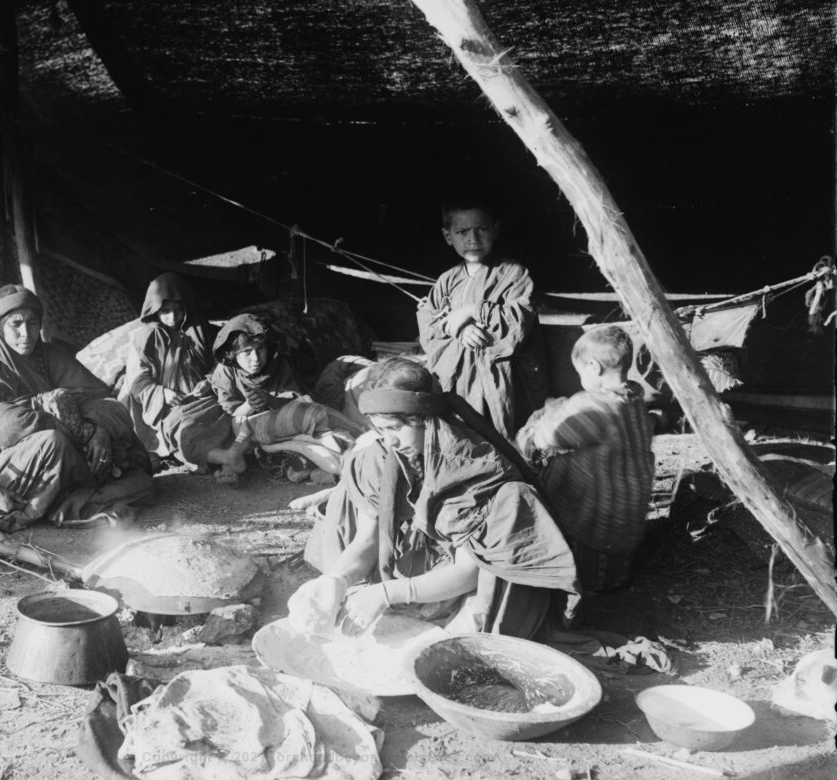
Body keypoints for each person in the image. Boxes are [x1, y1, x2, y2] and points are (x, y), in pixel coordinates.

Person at [287, 357, 577, 641]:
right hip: (422, 561)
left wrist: (388, 593)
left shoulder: (472, 469)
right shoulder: (382, 456)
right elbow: (368, 539)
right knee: (347, 491)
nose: (390, 442)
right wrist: (338, 579)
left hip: (467, 576)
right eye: (380, 431)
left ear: (427, 421)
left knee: (464, 637)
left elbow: (467, 572)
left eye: (394, 429)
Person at [0, 284, 151, 529]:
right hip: (10, 469)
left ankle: (64, 502)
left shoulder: (53, 358)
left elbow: (102, 399)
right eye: (16, 324)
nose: (26, 333)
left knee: (144, 481)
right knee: (52, 441)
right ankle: (60, 504)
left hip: (69, 454)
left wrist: (99, 429)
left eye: (32, 323)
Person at [516, 325, 655, 592]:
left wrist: (542, 420)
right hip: (627, 518)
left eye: (580, 372)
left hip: (593, 520)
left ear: (593, 367)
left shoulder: (592, 406)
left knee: (546, 458)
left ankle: (575, 578)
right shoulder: (635, 400)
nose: (580, 378)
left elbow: (548, 437)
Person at [416, 195, 547, 438]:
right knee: (465, 436)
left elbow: (518, 321)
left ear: (495, 230)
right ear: (448, 236)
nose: (473, 239)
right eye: (462, 231)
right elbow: (429, 319)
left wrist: (474, 310)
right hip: (459, 382)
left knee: (506, 440)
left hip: (500, 383)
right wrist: (458, 329)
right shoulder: (447, 279)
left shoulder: (512, 273)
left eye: (482, 229)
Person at [207, 313, 356, 484]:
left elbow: (296, 401)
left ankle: (338, 463)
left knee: (313, 424)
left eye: (260, 349)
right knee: (230, 428)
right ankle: (230, 464)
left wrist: (269, 400)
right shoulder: (225, 371)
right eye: (247, 352)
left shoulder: (278, 365)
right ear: (232, 354)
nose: (255, 358)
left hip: (281, 419)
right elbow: (231, 410)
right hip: (245, 423)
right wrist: (250, 405)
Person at [119, 272, 215, 466]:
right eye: (166, 311)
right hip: (165, 406)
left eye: (179, 310)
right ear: (155, 310)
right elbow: (137, 378)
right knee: (185, 429)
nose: (173, 317)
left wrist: (210, 381)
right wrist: (162, 393)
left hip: (203, 398)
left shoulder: (202, 331)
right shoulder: (146, 338)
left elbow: (222, 363)